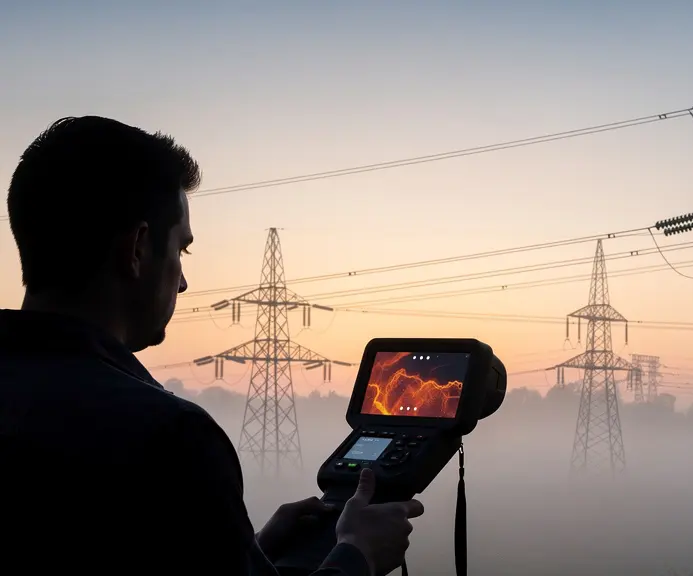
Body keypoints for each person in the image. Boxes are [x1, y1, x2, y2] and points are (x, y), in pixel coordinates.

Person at [0, 116, 424, 575]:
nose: (182, 282)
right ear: (137, 249)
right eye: (181, 250)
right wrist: (358, 555)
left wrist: (250, 551)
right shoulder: (171, 439)